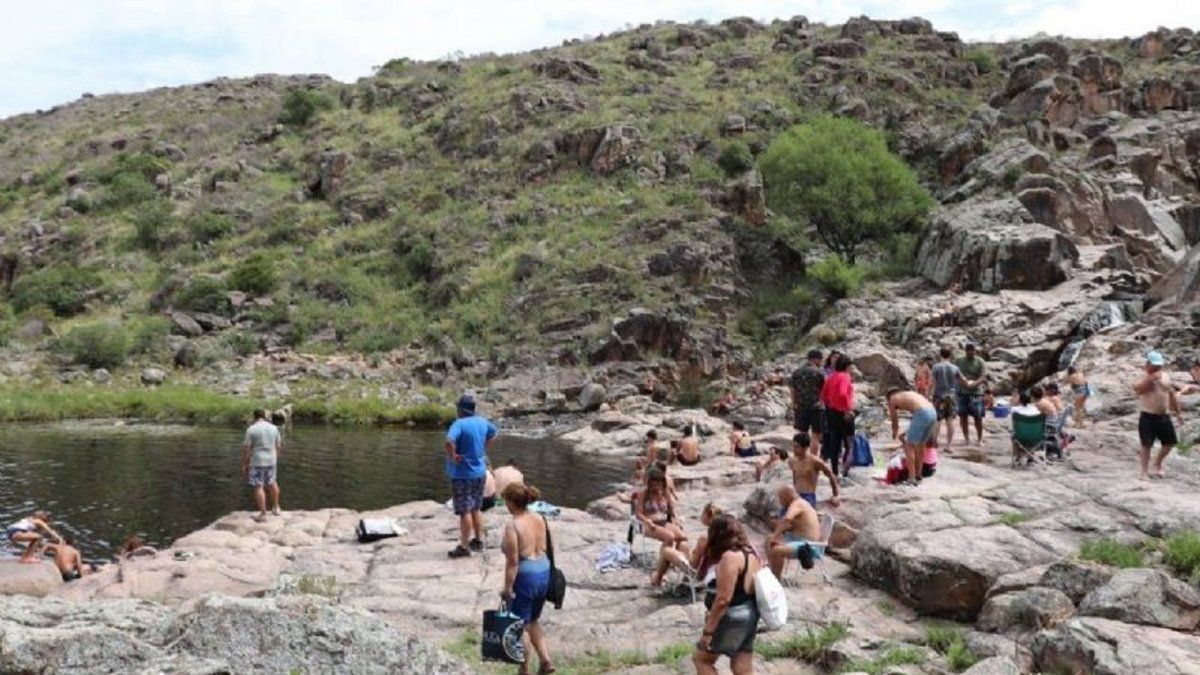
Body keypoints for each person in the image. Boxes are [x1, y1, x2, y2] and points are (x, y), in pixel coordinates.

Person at [693, 514, 760, 675]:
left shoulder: (730, 558)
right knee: (741, 666)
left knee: (702, 660)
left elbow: (723, 599)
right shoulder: (750, 553)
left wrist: (708, 632)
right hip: (749, 614)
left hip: (731, 616)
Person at [499, 482, 553, 675]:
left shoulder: (512, 525)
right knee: (534, 620)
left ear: (512, 503)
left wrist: (507, 589)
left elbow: (513, 562)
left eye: (506, 501)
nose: (505, 505)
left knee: (520, 626)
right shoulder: (539, 518)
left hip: (526, 577)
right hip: (544, 572)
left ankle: (524, 671)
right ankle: (546, 662)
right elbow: (546, 547)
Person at [445, 394, 498, 558]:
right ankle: (478, 540)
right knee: (476, 507)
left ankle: (464, 546)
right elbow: (494, 433)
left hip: (463, 474)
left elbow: (449, 441)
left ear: (461, 409)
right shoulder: (482, 421)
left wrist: (453, 456)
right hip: (479, 473)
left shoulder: (459, 423)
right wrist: (483, 448)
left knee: (465, 511)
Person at [1134, 351, 1184, 480]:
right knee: (1146, 445)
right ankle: (1144, 472)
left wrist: (1178, 413)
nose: (1157, 368)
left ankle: (1157, 462)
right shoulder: (1143, 376)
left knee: (1170, 442)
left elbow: (1171, 394)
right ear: (1147, 364)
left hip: (1164, 416)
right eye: (1154, 365)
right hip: (1147, 415)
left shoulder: (1166, 376)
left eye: (1159, 365)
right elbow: (1137, 389)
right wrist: (1150, 380)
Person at [637, 468, 689, 586]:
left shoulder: (665, 492)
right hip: (650, 524)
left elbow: (672, 510)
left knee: (682, 537)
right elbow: (639, 513)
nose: (656, 486)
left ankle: (682, 565)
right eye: (654, 483)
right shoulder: (643, 494)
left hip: (664, 522)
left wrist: (676, 520)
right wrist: (647, 521)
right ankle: (661, 570)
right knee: (670, 537)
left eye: (659, 483)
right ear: (649, 483)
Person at [766, 486, 822, 577]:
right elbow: (790, 525)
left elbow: (787, 520)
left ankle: (776, 578)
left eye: (780, 498)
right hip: (798, 541)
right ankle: (773, 570)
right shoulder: (800, 503)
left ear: (787, 496)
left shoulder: (797, 504)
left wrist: (775, 536)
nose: (780, 502)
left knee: (776, 549)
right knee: (768, 539)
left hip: (807, 546)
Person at [886, 388, 937, 486]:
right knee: (920, 445)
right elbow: (917, 420)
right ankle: (918, 475)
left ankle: (911, 478)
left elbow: (894, 419)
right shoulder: (909, 394)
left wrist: (894, 431)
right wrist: (906, 433)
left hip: (922, 413)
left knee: (909, 446)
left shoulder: (893, 398)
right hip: (932, 412)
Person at [241, 409, 283, 522]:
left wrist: (244, 463)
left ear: (254, 417)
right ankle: (276, 507)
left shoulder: (251, 429)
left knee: (258, 486)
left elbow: (246, 448)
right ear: (264, 416)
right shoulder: (274, 428)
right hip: (271, 459)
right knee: (272, 482)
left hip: (257, 461)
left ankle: (263, 513)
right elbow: (278, 445)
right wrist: (276, 457)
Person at [819, 354, 855, 477]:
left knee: (835, 442)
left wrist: (831, 406)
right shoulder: (845, 377)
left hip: (832, 413)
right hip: (843, 414)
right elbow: (842, 394)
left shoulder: (831, 376)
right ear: (847, 366)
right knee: (849, 444)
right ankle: (845, 472)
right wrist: (846, 410)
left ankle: (834, 472)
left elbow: (823, 396)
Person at [786, 432, 841, 507]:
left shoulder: (815, 461)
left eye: (797, 447)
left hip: (808, 496)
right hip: (796, 493)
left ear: (805, 448)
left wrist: (836, 494)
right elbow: (794, 477)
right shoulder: (792, 461)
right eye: (793, 446)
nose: (794, 449)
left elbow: (830, 474)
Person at [790, 349, 826, 452]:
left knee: (802, 435)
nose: (821, 363)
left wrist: (794, 404)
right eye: (820, 360)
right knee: (816, 435)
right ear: (816, 359)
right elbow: (824, 390)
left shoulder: (797, 372)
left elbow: (792, 390)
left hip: (801, 407)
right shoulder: (819, 372)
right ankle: (813, 459)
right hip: (817, 407)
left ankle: (802, 458)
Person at [955, 343, 988, 446]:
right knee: (963, 416)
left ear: (975, 351)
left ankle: (979, 439)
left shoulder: (980, 362)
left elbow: (983, 377)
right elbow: (956, 374)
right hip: (962, 392)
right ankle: (966, 438)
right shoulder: (959, 361)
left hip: (976, 394)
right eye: (968, 350)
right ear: (965, 351)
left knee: (978, 417)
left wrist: (974, 384)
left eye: (972, 350)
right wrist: (963, 382)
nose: (971, 352)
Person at [931, 347, 963, 448]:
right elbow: (962, 380)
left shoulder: (936, 367)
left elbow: (933, 383)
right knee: (950, 421)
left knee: (937, 419)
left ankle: (934, 442)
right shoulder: (955, 368)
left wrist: (928, 395)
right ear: (950, 356)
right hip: (951, 396)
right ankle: (948, 445)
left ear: (940, 355)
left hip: (939, 396)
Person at [687, 503, 724, 573]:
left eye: (703, 513)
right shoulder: (722, 535)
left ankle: (659, 582)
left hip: (702, 575)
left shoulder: (704, 538)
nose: (701, 516)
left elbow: (693, 565)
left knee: (668, 551)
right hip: (715, 572)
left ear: (708, 516)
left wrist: (687, 554)